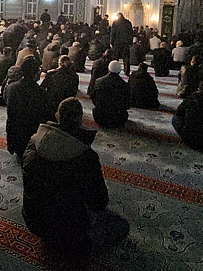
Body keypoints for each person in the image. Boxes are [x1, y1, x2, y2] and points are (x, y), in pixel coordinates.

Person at [21, 98, 129, 264]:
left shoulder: (33, 142)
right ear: (80, 120)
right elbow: (99, 202)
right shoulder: (86, 157)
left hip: (33, 219)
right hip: (70, 230)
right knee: (121, 226)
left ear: (57, 116)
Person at [4, 58, 55, 157]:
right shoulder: (40, 93)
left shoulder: (11, 88)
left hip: (15, 138)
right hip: (30, 140)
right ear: (36, 74)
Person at [91, 60, 131, 128]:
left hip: (100, 117)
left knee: (95, 109)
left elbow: (94, 100)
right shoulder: (124, 85)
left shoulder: (98, 81)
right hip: (118, 119)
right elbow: (127, 105)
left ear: (108, 69)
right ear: (120, 71)